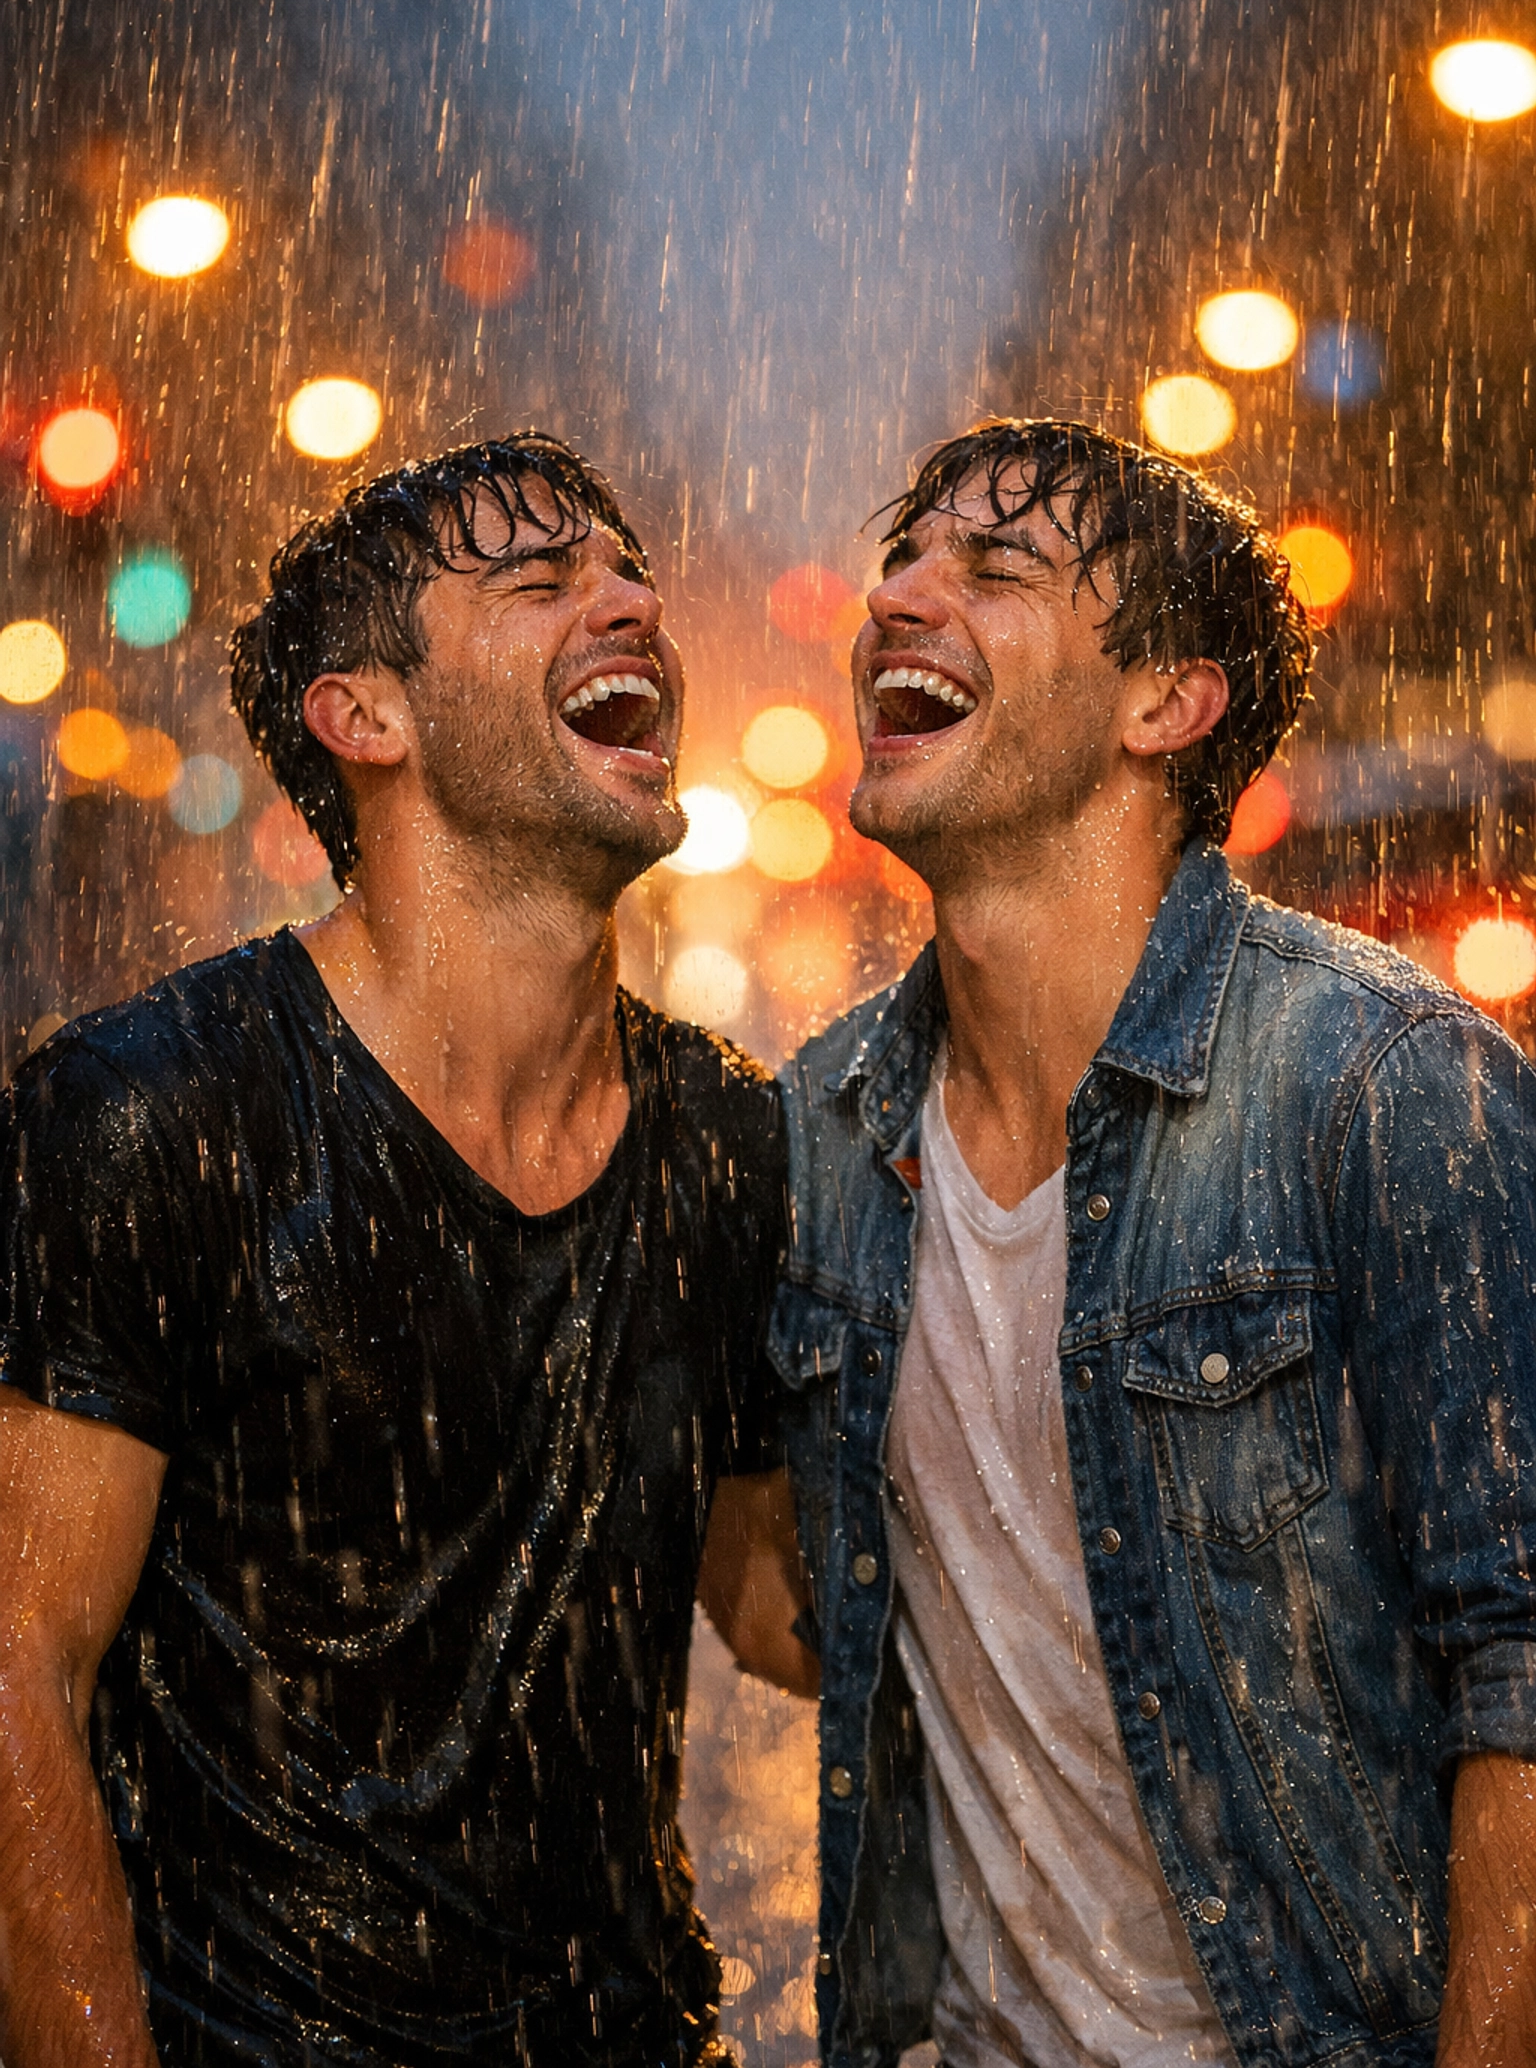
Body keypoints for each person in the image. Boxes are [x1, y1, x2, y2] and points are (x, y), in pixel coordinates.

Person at [0, 431, 804, 2068]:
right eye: (542, 581)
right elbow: (20, 1666)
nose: (632, 606)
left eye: (632, 573)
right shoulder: (153, 1111)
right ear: (365, 718)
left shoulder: (724, 1139)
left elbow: (785, 1615)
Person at [766, 418, 1536, 2068]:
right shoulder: (821, 1134)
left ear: (1166, 703)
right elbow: (804, 1612)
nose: (899, 599)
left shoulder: (1381, 1088)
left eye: (994, 568)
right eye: (904, 559)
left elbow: (1521, 1673)